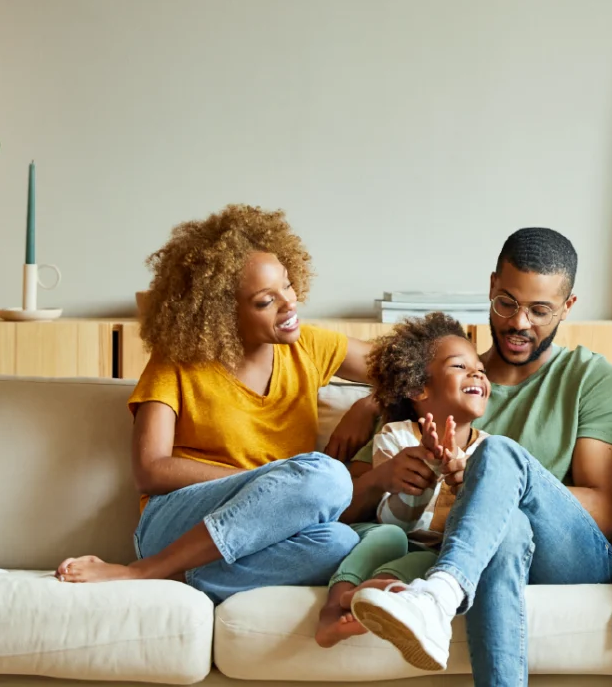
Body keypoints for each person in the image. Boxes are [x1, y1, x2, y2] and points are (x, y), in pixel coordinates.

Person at [332, 228, 612, 682]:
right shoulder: (437, 381)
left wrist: (490, 489)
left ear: (567, 308)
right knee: (505, 529)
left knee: (497, 456)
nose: (519, 323)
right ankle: (445, 597)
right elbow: (344, 510)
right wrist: (375, 408)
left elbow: (603, 512)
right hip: (499, 550)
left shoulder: (588, 377)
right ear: (492, 286)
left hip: (570, 555)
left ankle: (439, 593)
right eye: (507, 303)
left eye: (540, 310)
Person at [56, 204, 374, 604]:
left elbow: (411, 369)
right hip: (177, 520)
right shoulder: (178, 361)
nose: (289, 304)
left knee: (340, 542)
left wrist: (370, 403)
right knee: (328, 478)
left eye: (288, 286)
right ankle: (143, 569)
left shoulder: (310, 346)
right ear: (222, 313)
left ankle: (184, 575)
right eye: (265, 301)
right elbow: (151, 469)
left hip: (263, 530)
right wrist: (268, 482)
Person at [316, 313, 490, 648]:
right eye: (459, 367)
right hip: (386, 532)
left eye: (480, 369)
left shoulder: (488, 453)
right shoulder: (396, 438)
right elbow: (395, 519)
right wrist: (426, 473)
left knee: (429, 560)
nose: (477, 373)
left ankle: (371, 594)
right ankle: (331, 611)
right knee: (390, 537)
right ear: (417, 388)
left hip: (431, 548)